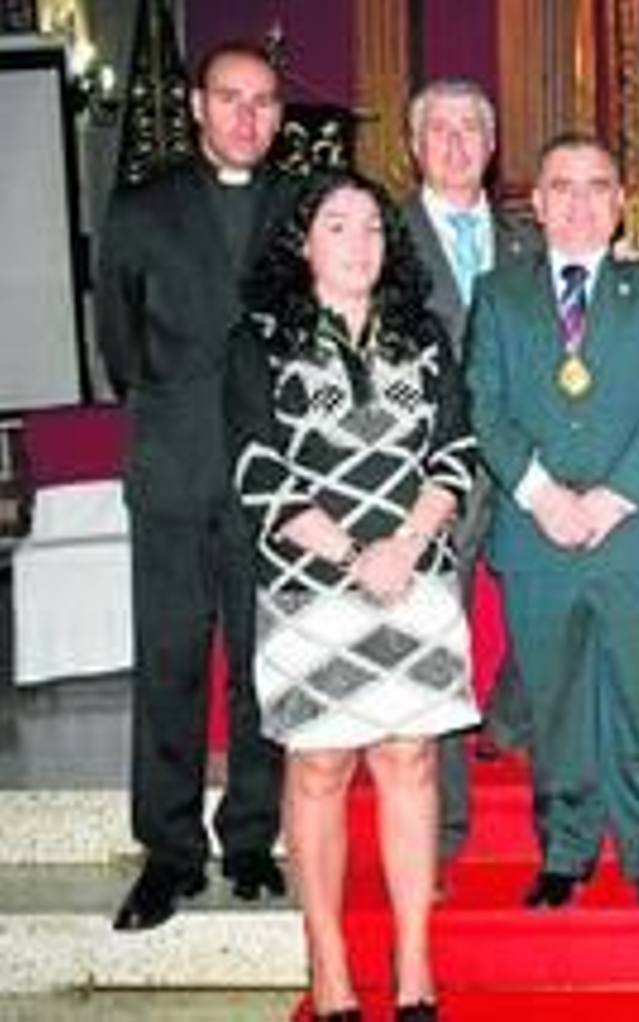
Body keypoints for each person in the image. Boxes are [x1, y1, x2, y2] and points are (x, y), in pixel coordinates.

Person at [228, 171, 480, 1021]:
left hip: (413, 576)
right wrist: (350, 553)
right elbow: (258, 469)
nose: (360, 242)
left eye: (373, 227)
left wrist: (404, 545)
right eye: (338, 226)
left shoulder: (425, 334)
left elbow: (455, 451)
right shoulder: (257, 340)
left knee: (409, 759)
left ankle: (414, 965)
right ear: (304, 242)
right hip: (311, 587)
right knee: (321, 764)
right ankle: (329, 965)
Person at [466, 133, 639, 911]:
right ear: (535, 205)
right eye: (560, 187)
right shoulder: (499, 295)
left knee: (638, 694)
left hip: (634, 534)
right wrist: (542, 496)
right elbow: (485, 406)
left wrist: (609, 500)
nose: (578, 203)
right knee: (557, 697)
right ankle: (566, 848)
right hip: (536, 535)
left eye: (596, 186)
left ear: (619, 202)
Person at [95, 40, 296, 932]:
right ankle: (169, 852)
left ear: (279, 118)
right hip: (173, 474)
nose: (246, 116)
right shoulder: (140, 208)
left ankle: (250, 836)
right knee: (171, 665)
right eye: (229, 98)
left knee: (267, 666)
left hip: (276, 483)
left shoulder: (306, 207)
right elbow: (119, 346)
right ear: (196, 107)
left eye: (262, 102)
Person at [400, 76, 540, 871]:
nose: (455, 145)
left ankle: (514, 721)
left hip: (522, 462)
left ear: (491, 148)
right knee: (438, 640)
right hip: (431, 472)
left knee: (548, 610)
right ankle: (447, 827)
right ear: (415, 146)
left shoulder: (530, 239)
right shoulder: (382, 234)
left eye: (470, 131)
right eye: (440, 131)